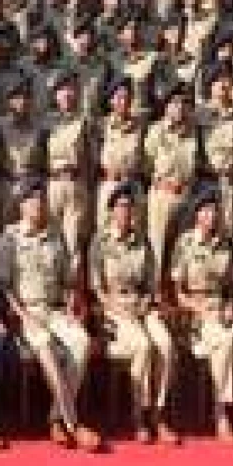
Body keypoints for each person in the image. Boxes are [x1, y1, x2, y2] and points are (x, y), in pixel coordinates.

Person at [0, 177, 98, 450]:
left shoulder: (55, 235)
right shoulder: (9, 238)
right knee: (46, 346)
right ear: (22, 205)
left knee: (82, 341)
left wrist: (71, 306)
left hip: (54, 310)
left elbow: (66, 281)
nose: (38, 205)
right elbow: (4, 287)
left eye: (41, 200)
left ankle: (54, 417)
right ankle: (73, 424)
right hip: (27, 313)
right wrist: (22, 315)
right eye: (32, 200)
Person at [91, 181, 178, 444]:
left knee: (164, 343)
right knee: (142, 345)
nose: (127, 212)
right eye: (121, 207)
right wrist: (116, 306)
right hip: (114, 309)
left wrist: (146, 303)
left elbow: (152, 285)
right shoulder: (101, 242)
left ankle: (158, 414)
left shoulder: (143, 242)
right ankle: (138, 415)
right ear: (111, 211)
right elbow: (97, 288)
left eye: (131, 207)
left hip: (141, 305)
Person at [171, 186, 233, 444]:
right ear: (197, 214)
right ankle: (221, 413)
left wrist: (230, 307)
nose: (212, 215)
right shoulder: (184, 243)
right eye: (206, 210)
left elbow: (231, 287)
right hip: (198, 314)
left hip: (223, 309)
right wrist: (199, 309)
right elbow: (178, 294)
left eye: (214, 210)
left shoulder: (225, 244)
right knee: (225, 342)